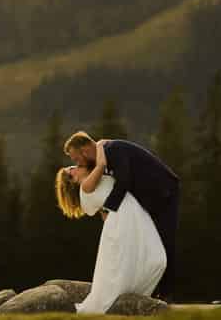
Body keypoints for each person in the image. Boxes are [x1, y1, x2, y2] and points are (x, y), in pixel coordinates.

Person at [64, 131, 180, 300]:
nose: (77, 163)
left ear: (84, 151)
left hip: (164, 194)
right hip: (146, 203)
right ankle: (153, 292)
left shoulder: (115, 150)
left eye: (76, 159)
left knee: (165, 242)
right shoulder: (104, 154)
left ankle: (166, 294)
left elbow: (123, 181)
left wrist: (110, 211)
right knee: (145, 248)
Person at [55, 164, 166, 313]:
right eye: (72, 168)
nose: (77, 165)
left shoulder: (95, 179)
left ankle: (136, 298)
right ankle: (128, 304)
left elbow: (104, 208)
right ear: (73, 179)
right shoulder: (86, 190)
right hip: (123, 220)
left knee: (157, 260)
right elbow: (101, 164)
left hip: (134, 216)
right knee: (126, 270)